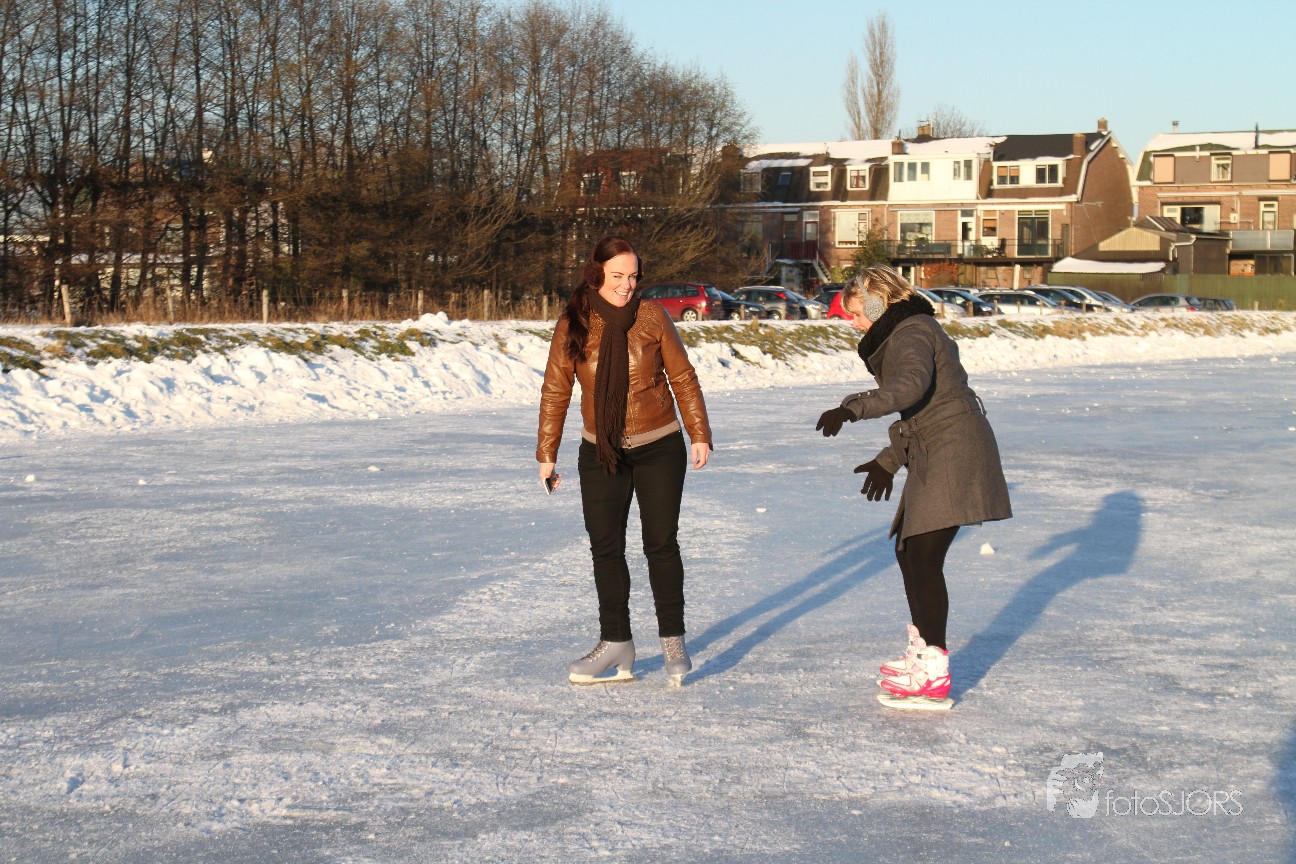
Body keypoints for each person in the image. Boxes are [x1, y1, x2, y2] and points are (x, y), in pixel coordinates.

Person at [815, 266, 1011, 707]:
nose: (853, 323)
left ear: (877, 303)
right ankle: (924, 653)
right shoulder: (907, 331)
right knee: (911, 553)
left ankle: (932, 670)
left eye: (856, 313)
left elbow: (909, 388)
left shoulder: (912, 331)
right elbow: (921, 410)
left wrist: (852, 408)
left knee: (922, 556)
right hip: (939, 446)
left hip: (954, 449)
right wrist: (887, 461)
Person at [537, 235, 712, 686]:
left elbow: (682, 376)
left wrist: (699, 432)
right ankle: (616, 641)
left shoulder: (652, 316)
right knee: (606, 547)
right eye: (617, 276)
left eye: (633, 277)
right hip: (601, 449)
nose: (626, 286)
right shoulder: (573, 323)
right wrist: (546, 453)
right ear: (596, 274)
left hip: (659, 445)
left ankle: (672, 639)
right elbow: (556, 389)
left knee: (660, 544)